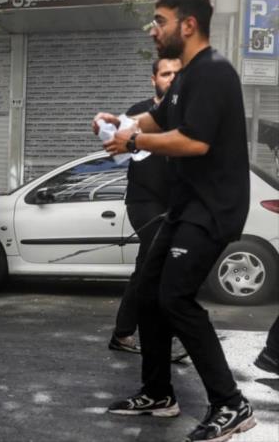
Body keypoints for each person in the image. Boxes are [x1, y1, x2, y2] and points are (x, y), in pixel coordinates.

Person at [96, 0, 256, 442]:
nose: (153, 29)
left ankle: (231, 404)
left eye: (160, 20)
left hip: (213, 209)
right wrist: (117, 124)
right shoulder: (186, 75)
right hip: (185, 207)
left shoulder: (215, 72)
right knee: (147, 292)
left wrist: (132, 141)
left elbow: (194, 141)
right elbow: (157, 119)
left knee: (176, 298)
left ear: (188, 24)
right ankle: (158, 392)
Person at [108, 58, 181, 353]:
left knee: (147, 269)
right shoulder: (139, 113)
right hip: (144, 202)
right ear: (154, 79)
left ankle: (123, 333)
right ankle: (167, 335)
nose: (172, 78)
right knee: (161, 264)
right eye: (166, 74)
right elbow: (123, 153)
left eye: (178, 74)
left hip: (172, 204)